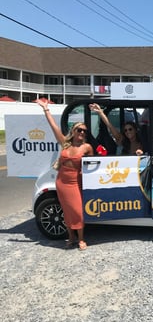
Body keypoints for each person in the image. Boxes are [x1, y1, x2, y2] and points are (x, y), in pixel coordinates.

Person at [37, 99, 94, 250]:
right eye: (79, 130)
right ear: (73, 131)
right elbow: (54, 127)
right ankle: (71, 237)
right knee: (67, 212)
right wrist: (46, 109)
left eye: (84, 131)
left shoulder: (87, 147)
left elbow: (92, 165)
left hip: (76, 182)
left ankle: (81, 239)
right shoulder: (65, 143)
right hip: (61, 182)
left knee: (77, 211)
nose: (82, 132)